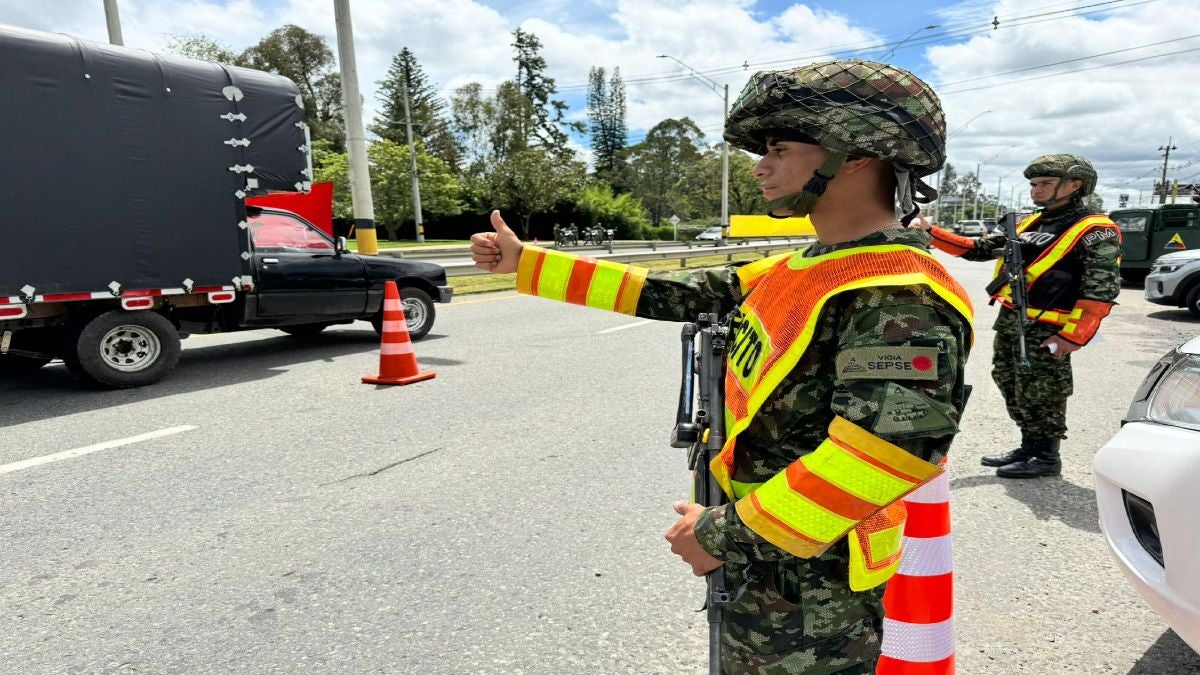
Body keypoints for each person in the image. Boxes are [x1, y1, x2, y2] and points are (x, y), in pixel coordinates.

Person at [471, 59, 974, 674]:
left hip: (814, 585)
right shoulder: (808, 267)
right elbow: (674, 292)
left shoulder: (900, 294)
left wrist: (720, 534)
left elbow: (883, 455)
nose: (761, 166)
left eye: (780, 148)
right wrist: (526, 265)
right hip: (763, 558)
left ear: (859, 156)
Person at [916, 154, 1121, 478]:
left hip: (1051, 328)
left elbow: (1100, 289)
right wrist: (930, 230)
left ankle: (1045, 456)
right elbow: (977, 248)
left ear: (1075, 185)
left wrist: (1072, 337)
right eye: (1034, 184)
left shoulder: (1094, 229)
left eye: (1045, 184)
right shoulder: (1028, 224)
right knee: (1009, 381)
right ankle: (1029, 445)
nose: (1036, 190)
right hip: (1013, 320)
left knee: (1043, 390)